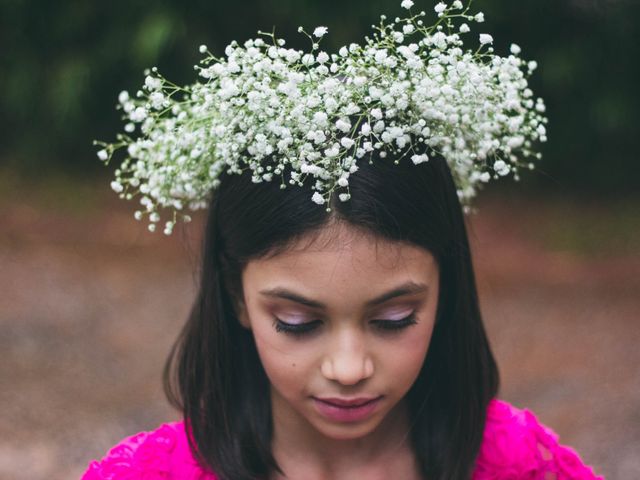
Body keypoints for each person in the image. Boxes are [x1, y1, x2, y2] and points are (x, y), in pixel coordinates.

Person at [83, 1, 604, 478]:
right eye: (298, 323)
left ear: (446, 286)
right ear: (235, 294)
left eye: (394, 319)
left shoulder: (520, 466)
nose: (349, 368)